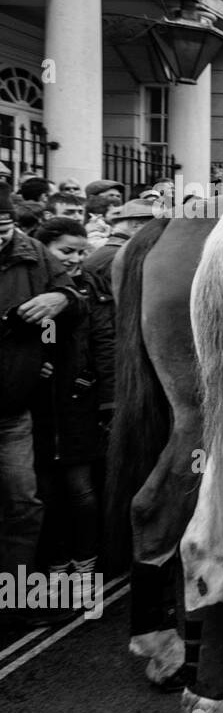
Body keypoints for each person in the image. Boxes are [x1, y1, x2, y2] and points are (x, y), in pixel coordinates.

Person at [0, 183, 84, 628]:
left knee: (24, 506)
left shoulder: (31, 251)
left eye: (5, 228)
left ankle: (14, 598)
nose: (3, 239)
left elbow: (77, 302)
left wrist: (62, 298)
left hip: (13, 413)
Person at [30, 219, 114, 579]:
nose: (76, 259)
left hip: (80, 403)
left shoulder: (93, 289)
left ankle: (85, 563)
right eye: (66, 251)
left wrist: (109, 399)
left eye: (82, 252)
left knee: (82, 491)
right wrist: (33, 366)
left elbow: (105, 343)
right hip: (35, 408)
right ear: (43, 248)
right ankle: (56, 563)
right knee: (43, 495)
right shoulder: (32, 284)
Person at [83, 197, 162, 283]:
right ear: (136, 225)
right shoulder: (126, 255)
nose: (162, 233)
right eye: (159, 227)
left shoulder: (114, 250)